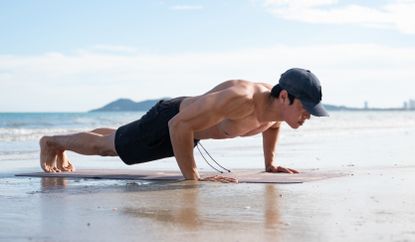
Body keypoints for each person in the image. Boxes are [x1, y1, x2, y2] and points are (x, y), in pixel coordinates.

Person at [39, 68, 328, 182]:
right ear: (285, 97)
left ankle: (63, 142)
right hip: (170, 121)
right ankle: (53, 142)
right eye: (305, 109)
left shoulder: (274, 111)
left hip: (186, 129)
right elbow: (178, 126)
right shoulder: (241, 98)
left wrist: (270, 163)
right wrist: (194, 179)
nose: (308, 116)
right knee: (108, 148)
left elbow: (272, 125)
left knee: (117, 138)